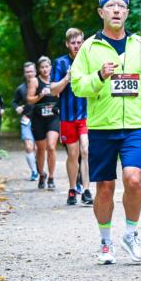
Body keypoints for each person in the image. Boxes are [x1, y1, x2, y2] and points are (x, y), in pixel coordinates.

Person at [70, 0, 141, 265]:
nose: (116, 10)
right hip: (102, 125)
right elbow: (77, 85)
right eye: (111, 6)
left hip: (134, 124)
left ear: (127, 12)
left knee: (133, 179)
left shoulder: (139, 44)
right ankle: (105, 243)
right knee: (104, 186)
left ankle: (131, 234)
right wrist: (99, 75)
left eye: (121, 6)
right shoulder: (90, 47)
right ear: (101, 12)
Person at [54, 28, 93, 206]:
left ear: (83, 42)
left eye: (79, 42)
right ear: (67, 44)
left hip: (87, 115)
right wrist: (66, 79)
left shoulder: (90, 61)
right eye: (73, 43)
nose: (76, 46)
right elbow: (53, 90)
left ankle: (86, 190)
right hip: (67, 117)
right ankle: (72, 189)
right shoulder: (60, 63)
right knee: (73, 154)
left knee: (86, 150)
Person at [27, 56, 60, 190]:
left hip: (53, 117)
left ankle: (51, 177)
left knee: (51, 147)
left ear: (50, 67)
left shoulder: (56, 79)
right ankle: (42, 174)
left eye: (47, 67)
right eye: (42, 67)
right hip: (38, 118)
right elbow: (29, 100)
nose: (45, 69)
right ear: (39, 69)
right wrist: (40, 95)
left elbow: (63, 94)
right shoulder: (35, 81)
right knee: (41, 149)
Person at [12, 63, 38, 181]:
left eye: (31, 71)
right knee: (28, 146)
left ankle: (39, 166)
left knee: (38, 148)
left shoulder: (41, 86)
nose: (29, 74)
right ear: (24, 73)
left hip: (40, 120)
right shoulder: (20, 89)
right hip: (26, 120)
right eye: (27, 71)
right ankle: (34, 172)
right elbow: (14, 102)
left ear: (35, 72)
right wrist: (17, 107)